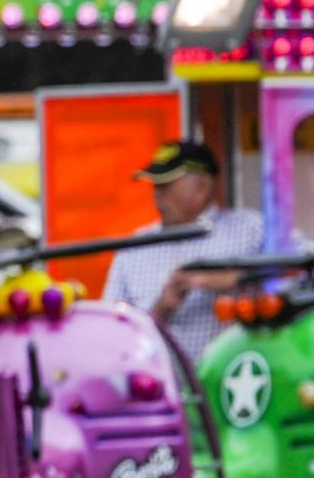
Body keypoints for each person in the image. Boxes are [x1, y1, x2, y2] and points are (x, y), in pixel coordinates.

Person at [100, 139, 266, 377]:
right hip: (159, 388)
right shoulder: (135, 246)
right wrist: (162, 307)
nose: (157, 195)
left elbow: (310, 268)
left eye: (165, 185)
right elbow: (112, 332)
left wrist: (235, 278)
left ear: (202, 186)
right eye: (155, 186)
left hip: (236, 383)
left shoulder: (251, 229)